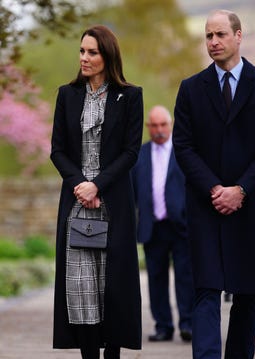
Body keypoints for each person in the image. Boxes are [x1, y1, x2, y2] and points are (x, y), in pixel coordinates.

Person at [172, 9, 255, 359]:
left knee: (248, 292)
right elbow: (184, 146)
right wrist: (214, 189)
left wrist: (240, 190)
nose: (213, 42)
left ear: (239, 36)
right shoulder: (191, 89)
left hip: (251, 206)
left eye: (220, 34)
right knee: (206, 288)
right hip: (205, 206)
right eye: (208, 36)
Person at [50, 25, 143, 359]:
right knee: (81, 290)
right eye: (81, 51)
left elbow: (131, 151)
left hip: (111, 203)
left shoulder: (130, 96)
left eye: (92, 52)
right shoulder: (67, 94)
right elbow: (57, 150)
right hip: (77, 205)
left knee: (111, 289)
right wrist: (81, 185)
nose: (84, 58)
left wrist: (98, 184)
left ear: (108, 55)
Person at [132, 105, 194, 342]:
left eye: (163, 125)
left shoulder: (184, 151)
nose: (159, 130)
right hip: (152, 225)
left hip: (181, 226)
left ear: (170, 125)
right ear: (148, 127)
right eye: (154, 125)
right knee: (156, 278)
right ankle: (163, 326)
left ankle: (187, 324)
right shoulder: (139, 154)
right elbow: (132, 190)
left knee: (185, 277)